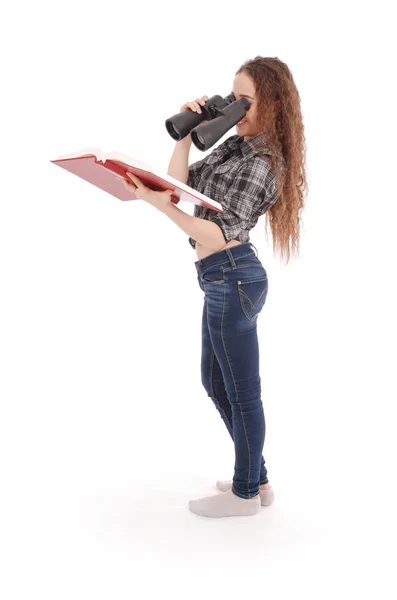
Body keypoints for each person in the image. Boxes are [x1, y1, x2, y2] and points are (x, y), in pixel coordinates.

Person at [124, 56, 307, 518]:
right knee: (214, 380)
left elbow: (220, 234)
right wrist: (187, 133)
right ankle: (257, 478)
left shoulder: (264, 162)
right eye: (233, 99)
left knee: (244, 392)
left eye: (245, 101)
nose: (237, 110)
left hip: (233, 275)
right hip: (221, 278)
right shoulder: (233, 149)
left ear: (275, 105)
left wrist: (156, 205)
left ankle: (245, 493)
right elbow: (179, 184)